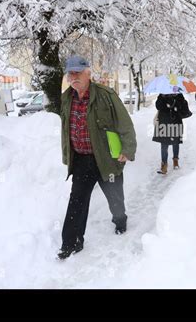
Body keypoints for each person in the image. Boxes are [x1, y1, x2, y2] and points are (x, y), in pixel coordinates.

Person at [58, 55, 137, 260]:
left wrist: (127, 149)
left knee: (115, 197)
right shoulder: (67, 98)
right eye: (70, 73)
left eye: (77, 73)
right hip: (82, 160)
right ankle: (71, 241)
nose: (73, 77)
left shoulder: (105, 95)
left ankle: (120, 219)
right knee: (77, 200)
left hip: (106, 159)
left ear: (87, 73)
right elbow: (66, 128)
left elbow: (125, 124)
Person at [152, 88, 190, 174]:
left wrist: (173, 102)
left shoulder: (179, 95)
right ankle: (164, 165)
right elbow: (158, 106)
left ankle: (175, 161)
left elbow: (181, 107)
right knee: (164, 145)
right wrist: (163, 97)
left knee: (175, 143)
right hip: (164, 123)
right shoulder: (162, 95)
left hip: (175, 122)